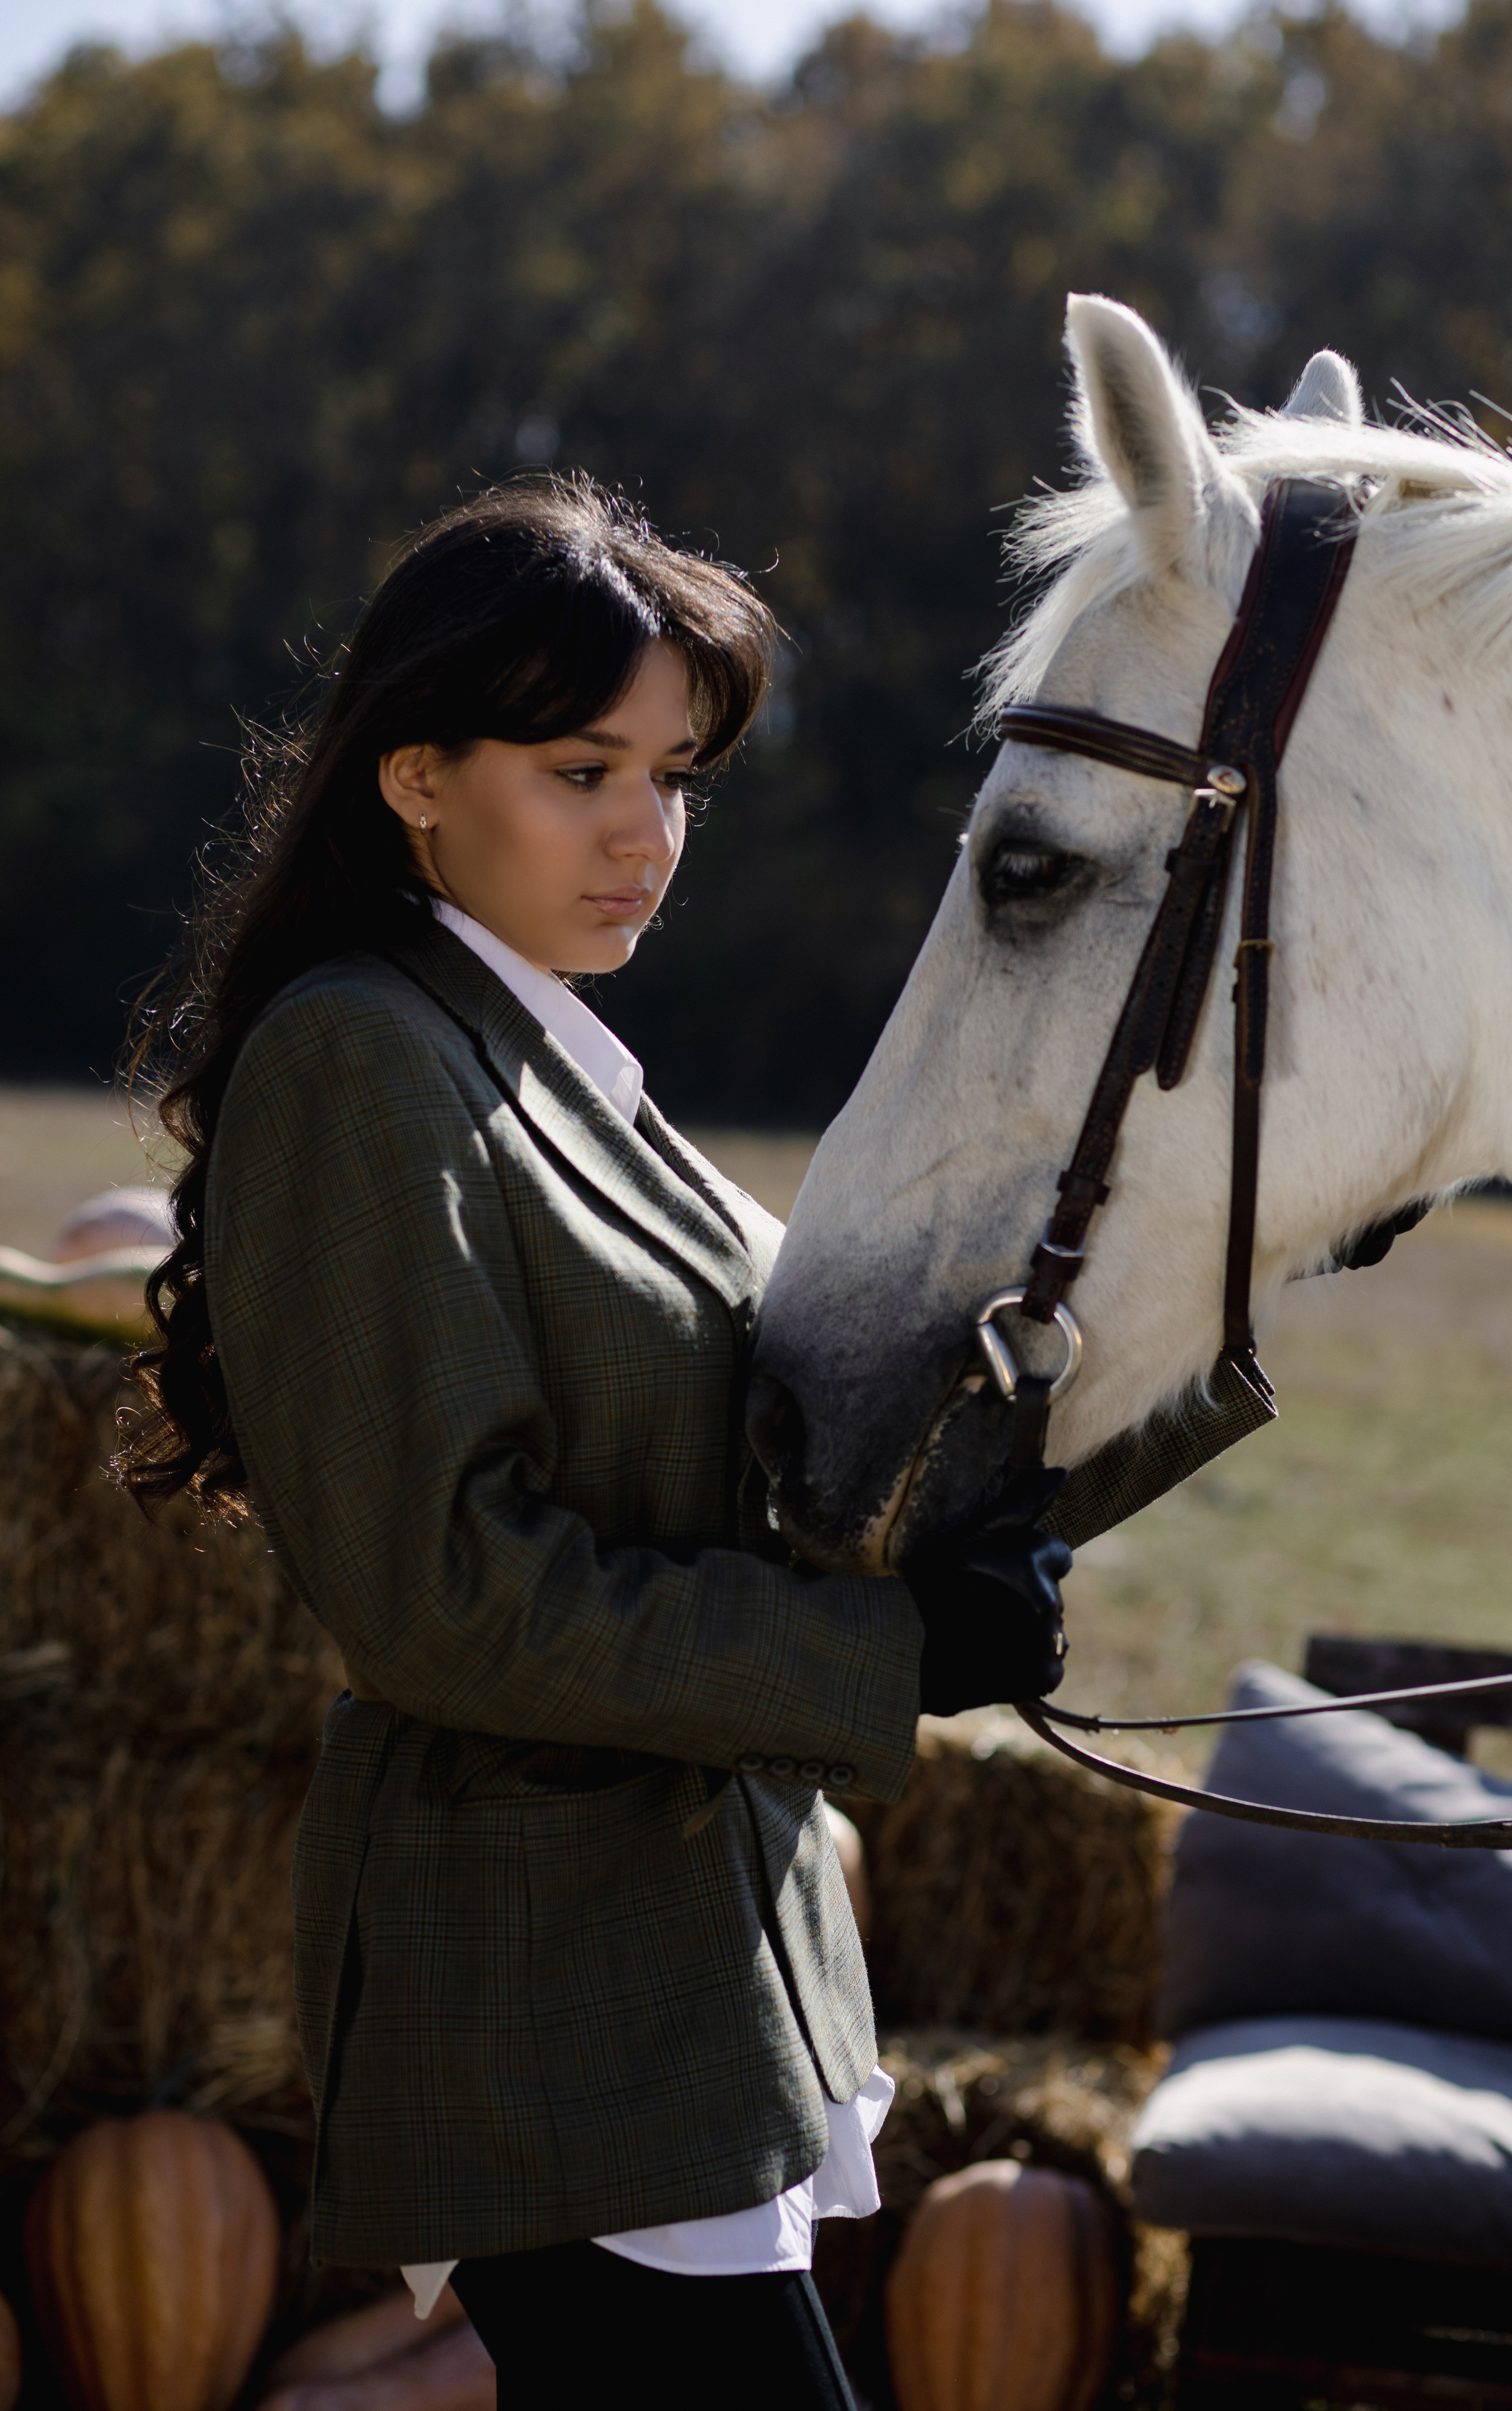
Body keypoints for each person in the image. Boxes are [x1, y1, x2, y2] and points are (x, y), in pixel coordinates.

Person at [119, 478, 1070, 2409]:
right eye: (581, 770)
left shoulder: (549, 1051)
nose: (648, 835)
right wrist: (887, 1660)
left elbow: (748, 1440)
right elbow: (447, 1599)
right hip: (546, 1990)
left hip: (709, 1975)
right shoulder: (361, 1058)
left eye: (675, 773)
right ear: (414, 779)